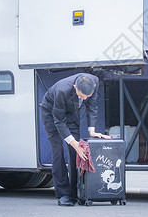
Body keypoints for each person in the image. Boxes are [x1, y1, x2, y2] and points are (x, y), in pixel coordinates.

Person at [40, 73, 110, 206]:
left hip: (72, 113)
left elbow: (92, 106)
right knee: (58, 151)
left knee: (76, 153)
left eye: (86, 97)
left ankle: (74, 192)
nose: (84, 99)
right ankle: (63, 194)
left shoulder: (94, 82)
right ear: (74, 87)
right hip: (51, 112)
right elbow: (59, 121)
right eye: (81, 96)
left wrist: (92, 131)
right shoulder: (62, 90)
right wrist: (74, 143)